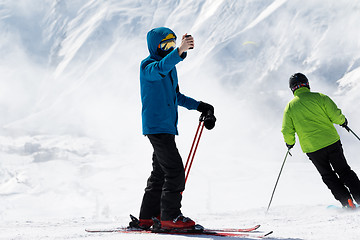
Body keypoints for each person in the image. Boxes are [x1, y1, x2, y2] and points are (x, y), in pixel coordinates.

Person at [136, 27, 215, 230]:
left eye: (172, 44)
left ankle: (148, 217)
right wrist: (178, 51)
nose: (169, 48)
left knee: (161, 172)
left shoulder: (170, 68)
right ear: (155, 46)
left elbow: (175, 96)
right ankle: (170, 217)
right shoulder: (148, 67)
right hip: (157, 126)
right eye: (165, 45)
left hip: (165, 126)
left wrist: (200, 105)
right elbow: (160, 68)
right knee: (175, 171)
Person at [281, 73, 360, 208]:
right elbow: (335, 115)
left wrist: (290, 143)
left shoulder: (290, 107)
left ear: (292, 88)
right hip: (331, 142)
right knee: (344, 171)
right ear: (307, 84)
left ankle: (347, 202)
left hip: (313, 149)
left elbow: (287, 130)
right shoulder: (319, 97)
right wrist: (343, 121)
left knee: (328, 176)